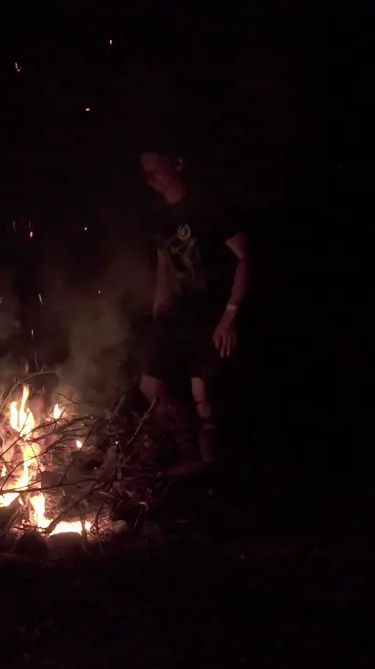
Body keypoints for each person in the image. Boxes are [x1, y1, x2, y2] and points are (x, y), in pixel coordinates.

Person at [137, 145, 250, 463]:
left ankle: (212, 469)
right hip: (179, 311)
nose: (151, 177)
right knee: (150, 386)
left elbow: (245, 257)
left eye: (156, 167)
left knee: (204, 396)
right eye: (146, 172)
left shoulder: (207, 206)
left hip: (212, 311)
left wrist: (231, 314)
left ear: (178, 163)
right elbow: (164, 262)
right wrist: (159, 307)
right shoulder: (158, 216)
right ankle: (186, 453)